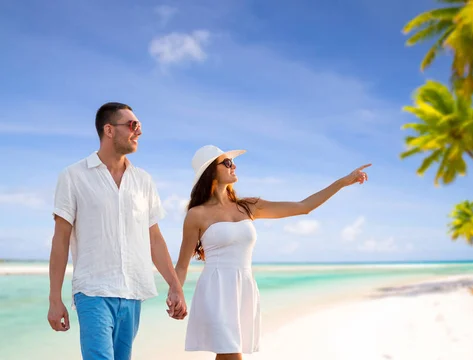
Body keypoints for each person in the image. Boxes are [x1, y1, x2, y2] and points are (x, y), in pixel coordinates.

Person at [174, 144, 370, 360]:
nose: (234, 166)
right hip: (215, 291)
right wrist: (176, 293)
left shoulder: (249, 206)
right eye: (227, 162)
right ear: (211, 171)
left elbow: (303, 206)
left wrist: (343, 182)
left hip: (244, 289)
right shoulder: (197, 215)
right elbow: (182, 264)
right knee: (231, 353)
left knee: (227, 353)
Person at [47, 102, 187, 360]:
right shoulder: (73, 176)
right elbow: (61, 239)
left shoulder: (143, 180)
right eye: (133, 125)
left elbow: (154, 239)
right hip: (93, 291)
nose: (139, 132)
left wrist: (175, 286)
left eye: (140, 126)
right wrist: (54, 298)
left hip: (133, 293)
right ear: (109, 130)